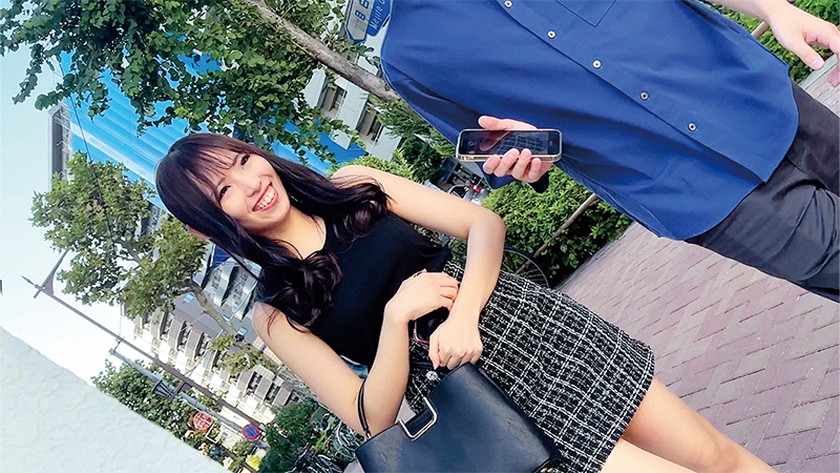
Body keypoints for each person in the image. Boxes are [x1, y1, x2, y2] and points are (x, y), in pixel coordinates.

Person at [156, 133, 775, 473]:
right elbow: (367, 416)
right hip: (478, 396)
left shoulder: (356, 186)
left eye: (244, 161)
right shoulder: (275, 312)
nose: (252, 184)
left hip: (531, 330)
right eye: (225, 190)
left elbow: (482, 224)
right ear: (208, 222)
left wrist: (465, 313)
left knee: (715, 457)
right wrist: (396, 320)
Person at [378, 0, 840, 301]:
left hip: (760, 99)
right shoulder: (408, 58)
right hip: (693, 192)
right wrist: (525, 151)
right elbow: (489, 148)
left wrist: (774, 9)